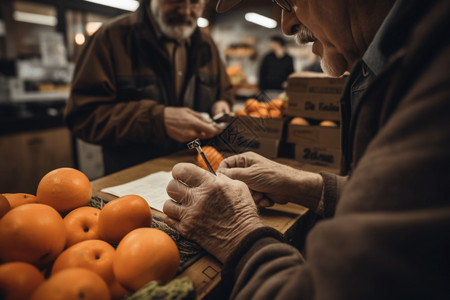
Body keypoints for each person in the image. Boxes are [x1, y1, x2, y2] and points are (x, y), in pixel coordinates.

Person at [163, 0, 450, 299]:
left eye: (288, 1)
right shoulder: (414, 60)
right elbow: (403, 200)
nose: (286, 24)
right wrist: (308, 186)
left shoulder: (435, 76)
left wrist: (238, 235)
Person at [64, 0, 234, 174]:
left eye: (195, 2)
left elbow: (225, 91)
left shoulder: (207, 44)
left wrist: (222, 104)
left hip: (198, 174)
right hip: (132, 182)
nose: (185, 11)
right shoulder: (111, 37)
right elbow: (83, 116)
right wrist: (156, 120)